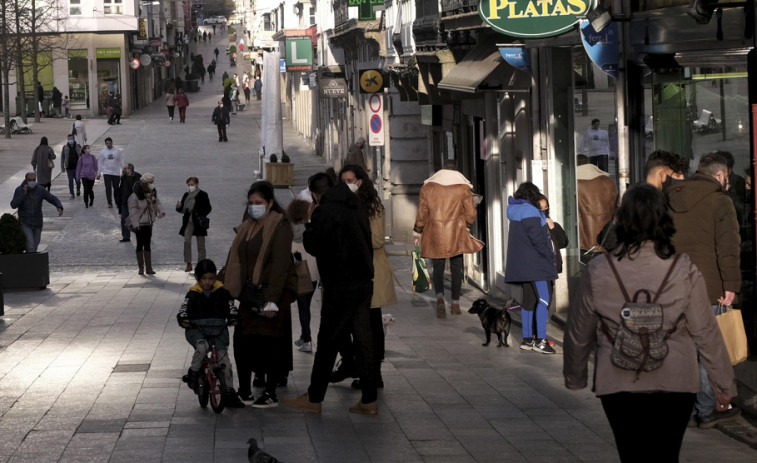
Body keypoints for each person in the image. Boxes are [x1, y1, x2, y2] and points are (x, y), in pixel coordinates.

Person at [564, 184, 736, 462]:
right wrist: (723, 386)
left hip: (618, 379)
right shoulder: (683, 268)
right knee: (667, 455)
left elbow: (578, 330)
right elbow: (705, 331)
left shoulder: (598, 269)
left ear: (622, 220)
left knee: (631, 455)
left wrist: (576, 376)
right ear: (663, 219)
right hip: (676, 379)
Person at [282, 172, 379, 415]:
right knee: (363, 339)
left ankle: (314, 398)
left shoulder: (326, 211)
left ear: (315, 194)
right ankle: (369, 399)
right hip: (363, 280)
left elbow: (313, 244)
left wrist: (310, 221)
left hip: (340, 283)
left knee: (327, 340)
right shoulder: (355, 206)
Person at [666, 151, 742, 428]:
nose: (729, 183)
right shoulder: (720, 202)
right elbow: (728, 248)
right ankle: (706, 409)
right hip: (709, 288)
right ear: (720, 175)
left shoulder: (670, 197)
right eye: (727, 177)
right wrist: (731, 286)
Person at [222, 181, 297, 408]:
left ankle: (271, 392)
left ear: (270, 203)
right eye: (251, 203)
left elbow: (281, 264)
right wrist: (218, 284)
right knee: (242, 340)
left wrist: (272, 300)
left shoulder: (280, 226)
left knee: (270, 342)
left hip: (272, 292)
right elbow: (234, 259)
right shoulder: (247, 226)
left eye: (259, 203)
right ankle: (245, 390)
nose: (254, 207)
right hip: (249, 293)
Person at [336, 164, 397, 390]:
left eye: (350, 180)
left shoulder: (372, 207)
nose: (347, 185)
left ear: (360, 181)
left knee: (370, 326)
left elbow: (378, 240)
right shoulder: (341, 205)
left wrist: (350, 238)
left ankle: (373, 374)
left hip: (371, 274)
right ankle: (361, 369)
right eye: (343, 181)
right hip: (350, 274)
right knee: (355, 326)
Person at [413, 160, 483, 318]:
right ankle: (456, 303)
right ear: (456, 171)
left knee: (437, 268)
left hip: (434, 231)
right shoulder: (463, 188)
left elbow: (422, 212)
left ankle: (439, 299)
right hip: (456, 232)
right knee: (456, 268)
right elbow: (471, 212)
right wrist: (467, 226)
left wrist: (418, 232)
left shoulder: (428, 187)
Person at [177, 259, 245, 408]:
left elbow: (231, 307)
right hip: (197, 329)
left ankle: (228, 391)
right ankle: (194, 372)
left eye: (211, 278)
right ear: (197, 278)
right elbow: (184, 309)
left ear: (216, 278)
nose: (208, 282)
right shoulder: (193, 294)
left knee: (225, 362)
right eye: (204, 279)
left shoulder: (222, 293)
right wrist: (183, 319)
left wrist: (233, 317)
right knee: (201, 348)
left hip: (218, 329)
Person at [505, 182, 557, 354]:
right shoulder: (530, 211)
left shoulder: (516, 210)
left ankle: (527, 339)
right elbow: (538, 239)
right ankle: (541, 340)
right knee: (543, 299)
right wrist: (549, 257)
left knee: (528, 302)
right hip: (537, 264)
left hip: (523, 264)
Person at [286, 199, 319, 353]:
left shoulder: (289, 232)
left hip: (300, 273)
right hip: (314, 273)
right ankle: (303, 336)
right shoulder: (311, 229)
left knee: (302, 307)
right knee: (306, 306)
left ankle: (307, 340)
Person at [10, 172, 64, 253]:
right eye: (30, 180)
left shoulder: (40, 189)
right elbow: (13, 205)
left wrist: (59, 206)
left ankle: (31, 263)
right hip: (25, 222)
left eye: (34, 180)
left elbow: (51, 198)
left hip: (37, 222)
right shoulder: (19, 190)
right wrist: (23, 194)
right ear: (26, 180)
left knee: (35, 246)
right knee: (30, 245)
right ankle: (30, 263)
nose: (32, 181)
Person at [576, 154, 617, 252]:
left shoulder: (574, 182)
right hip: (606, 240)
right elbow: (616, 207)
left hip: (583, 244)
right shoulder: (608, 181)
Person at [127, 173, 165, 275]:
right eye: (151, 182)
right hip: (139, 223)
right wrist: (135, 224)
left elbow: (156, 202)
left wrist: (161, 211)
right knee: (140, 244)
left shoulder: (151, 192)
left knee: (147, 244)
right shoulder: (136, 195)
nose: (153, 184)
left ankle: (149, 268)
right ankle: (141, 268)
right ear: (146, 183)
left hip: (149, 222)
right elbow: (133, 211)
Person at [176, 177, 212, 272]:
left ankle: (201, 264)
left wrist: (200, 213)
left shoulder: (203, 194)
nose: (190, 186)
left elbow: (208, 208)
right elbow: (182, 209)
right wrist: (178, 207)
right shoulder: (186, 195)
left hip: (199, 222)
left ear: (197, 184)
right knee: (187, 241)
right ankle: (188, 263)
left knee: (201, 244)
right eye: (189, 185)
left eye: (192, 184)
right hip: (188, 221)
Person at [97, 137, 125, 209]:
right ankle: (109, 202)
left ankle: (116, 201)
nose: (108, 144)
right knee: (108, 187)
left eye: (109, 143)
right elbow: (100, 162)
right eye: (107, 143)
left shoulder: (117, 151)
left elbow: (121, 160)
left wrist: (124, 169)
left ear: (112, 143)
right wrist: (98, 172)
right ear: (105, 144)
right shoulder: (103, 151)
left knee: (116, 187)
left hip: (115, 172)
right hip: (107, 172)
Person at [119, 164, 141, 242]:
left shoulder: (137, 176)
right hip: (125, 202)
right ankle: (126, 237)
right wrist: (119, 205)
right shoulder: (123, 177)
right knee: (124, 219)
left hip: (135, 202)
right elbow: (121, 189)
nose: (124, 169)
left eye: (125, 168)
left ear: (130, 169)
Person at [60, 134, 81, 199]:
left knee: (78, 180)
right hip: (69, 167)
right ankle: (72, 194)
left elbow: (81, 156)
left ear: (74, 139)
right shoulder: (65, 147)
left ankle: (78, 189)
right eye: (69, 139)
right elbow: (62, 157)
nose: (70, 140)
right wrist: (62, 167)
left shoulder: (78, 146)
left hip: (77, 167)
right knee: (70, 181)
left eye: (71, 138)